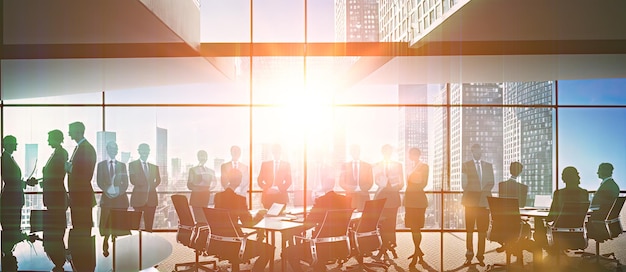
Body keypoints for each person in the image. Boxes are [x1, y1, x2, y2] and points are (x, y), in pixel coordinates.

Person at [284, 177, 352, 272]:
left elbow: (308, 224)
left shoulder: (321, 200)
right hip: (340, 245)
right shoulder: (345, 200)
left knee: (287, 252)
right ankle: (320, 268)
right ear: (333, 184)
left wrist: (296, 224)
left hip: (320, 248)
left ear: (323, 185)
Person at [212, 170, 274, 272]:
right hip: (237, 244)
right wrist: (259, 214)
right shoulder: (239, 199)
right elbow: (248, 223)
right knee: (269, 249)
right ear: (239, 180)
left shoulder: (218, 196)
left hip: (219, 243)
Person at [461, 143, 494, 266]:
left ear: (481, 151)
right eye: (475, 151)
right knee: (469, 230)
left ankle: (481, 255)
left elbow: (491, 182)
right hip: (470, 203)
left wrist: (480, 193)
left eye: (479, 151)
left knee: (482, 231)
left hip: (483, 203)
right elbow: (464, 184)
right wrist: (478, 192)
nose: (478, 153)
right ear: (472, 152)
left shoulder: (488, 166)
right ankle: (469, 255)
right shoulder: (466, 165)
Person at [96, 141, 129, 257]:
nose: (113, 151)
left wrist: (118, 192)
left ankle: (117, 240)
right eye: (111, 148)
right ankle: (106, 240)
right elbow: (99, 181)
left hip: (119, 199)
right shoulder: (101, 165)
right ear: (107, 150)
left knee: (117, 222)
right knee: (106, 221)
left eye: (115, 148)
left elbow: (125, 183)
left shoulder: (122, 165)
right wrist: (108, 191)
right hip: (107, 198)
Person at [373, 144, 404, 259]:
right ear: (382, 152)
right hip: (380, 198)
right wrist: (385, 185)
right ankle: (382, 246)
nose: (387, 153)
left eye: (389, 151)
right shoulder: (377, 166)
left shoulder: (398, 165)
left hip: (392, 198)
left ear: (391, 152)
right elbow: (376, 181)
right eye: (385, 151)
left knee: (391, 225)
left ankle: (388, 246)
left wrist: (392, 187)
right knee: (380, 225)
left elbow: (401, 184)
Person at [1, 135, 38, 231]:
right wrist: (25, 183)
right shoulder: (5, 159)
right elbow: (10, 180)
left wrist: (25, 183)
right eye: (14, 144)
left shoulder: (8, 158)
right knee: (12, 229)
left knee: (13, 228)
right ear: (8, 145)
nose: (16, 146)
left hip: (12, 199)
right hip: (11, 200)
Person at [65, 122, 97, 229]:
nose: (69, 134)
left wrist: (70, 168)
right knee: (78, 228)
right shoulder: (80, 147)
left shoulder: (87, 148)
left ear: (78, 131)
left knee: (82, 230)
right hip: (78, 197)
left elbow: (86, 174)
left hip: (82, 198)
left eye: (71, 131)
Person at [404, 147, 429, 267]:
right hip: (409, 201)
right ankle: (417, 251)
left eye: (413, 154)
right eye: (410, 154)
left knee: (416, 227)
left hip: (418, 202)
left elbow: (423, 183)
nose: (411, 156)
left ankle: (416, 252)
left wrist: (415, 180)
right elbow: (411, 183)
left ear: (418, 155)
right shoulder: (410, 168)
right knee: (412, 228)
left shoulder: (424, 166)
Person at [129, 143, 161, 231]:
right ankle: (136, 243)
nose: (144, 152)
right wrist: (147, 185)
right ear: (139, 151)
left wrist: (151, 186)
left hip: (151, 199)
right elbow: (132, 180)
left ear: (149, 152)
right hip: (138, 199)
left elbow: (158, 180)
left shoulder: (154, 167)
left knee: (149, 225)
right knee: (135, 225)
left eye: (146, 150)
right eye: (142, 150)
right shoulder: (132, 165)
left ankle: (149, 242)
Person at [42, 130, 69, 230]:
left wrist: (45, 172)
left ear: (55, 139)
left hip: (56, 196)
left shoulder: (61, 153)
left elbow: (56, 174)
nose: (48, 141)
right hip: (54, 196)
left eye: (49, 139)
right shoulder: (56, 153)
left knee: (57, 226)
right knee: (55, 226)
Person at [339, 144, 373, 211]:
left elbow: (370, 182)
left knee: (363, 219)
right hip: (350, 197)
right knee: (350, 219)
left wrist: (360, 188)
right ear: (350, 153)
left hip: (363, 197)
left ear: (359, 152)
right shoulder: (345, 166)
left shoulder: (367, 166)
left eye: (357, 151)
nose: (355, 153)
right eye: (353, 151)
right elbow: (341, 182)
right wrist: (351, 188)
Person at [257, 143, 292, 209]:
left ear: (281, 152)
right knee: (268, 217)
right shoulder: (265, 164)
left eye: (278, 152)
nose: (276, 154)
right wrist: (267, 189)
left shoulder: (286, 165)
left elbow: (289, 181)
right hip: (268, 197)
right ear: (272, 152)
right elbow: (259, 180)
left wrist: (278, 188)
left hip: (281, 197)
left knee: (281, 217)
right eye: (275, 152)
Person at [187, 150, 216, 223]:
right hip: (196, 197)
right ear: (198, 157)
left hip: (206, 196)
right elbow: (189, 185)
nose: (202, 157)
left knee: (206, 218)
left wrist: (207, 189)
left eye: (204, 156)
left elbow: (214, 183)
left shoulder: (211, 171)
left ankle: (204, 232)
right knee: (199, 219)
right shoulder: (193, 170)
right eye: (201, 155)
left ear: (207, 158)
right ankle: (200, 232)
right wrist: (198, 188)